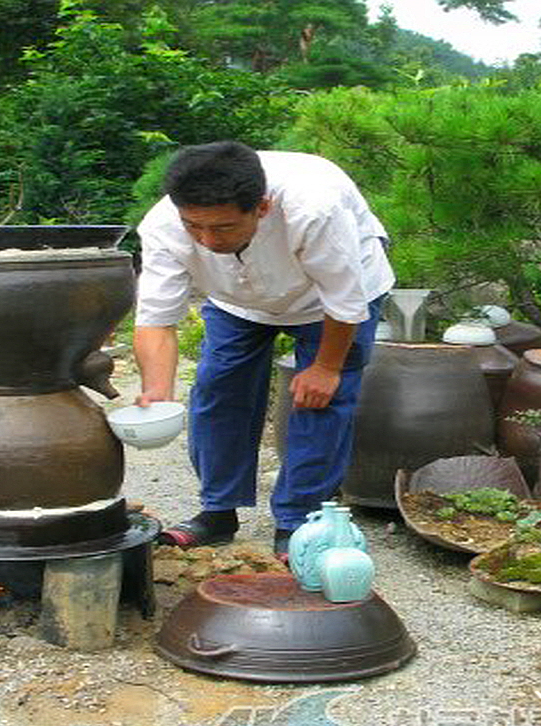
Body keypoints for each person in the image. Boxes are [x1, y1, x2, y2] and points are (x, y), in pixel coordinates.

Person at [133, 141, 394, 554]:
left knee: (320, 401)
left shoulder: (314, 209)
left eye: (222, 228)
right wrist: (157, 390)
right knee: (218, 390)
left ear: (262, 207)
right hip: (236, 300)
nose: (205, 240)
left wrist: (326, 368)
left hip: (326, 301)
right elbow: (156, 319)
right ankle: (217, 512)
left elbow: (345, 300)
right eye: (193, 227)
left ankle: (298, 522)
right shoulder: (164, 224)